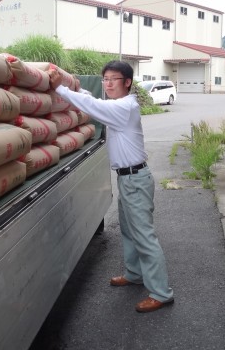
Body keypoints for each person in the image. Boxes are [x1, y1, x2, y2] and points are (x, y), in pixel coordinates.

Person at [48, 61, 174, 313]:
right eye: (104, 79)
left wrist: (61, 89)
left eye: (113, 79)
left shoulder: (124, 107)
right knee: (129, 230)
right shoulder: (117, 106)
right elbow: (94, 100)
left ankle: (161, 292)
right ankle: (135, 273)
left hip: (135, 180)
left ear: (127, 82)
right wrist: (76, 88)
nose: (107, 84)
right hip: (128, 179)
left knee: (144, 236)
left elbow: (94, 106)